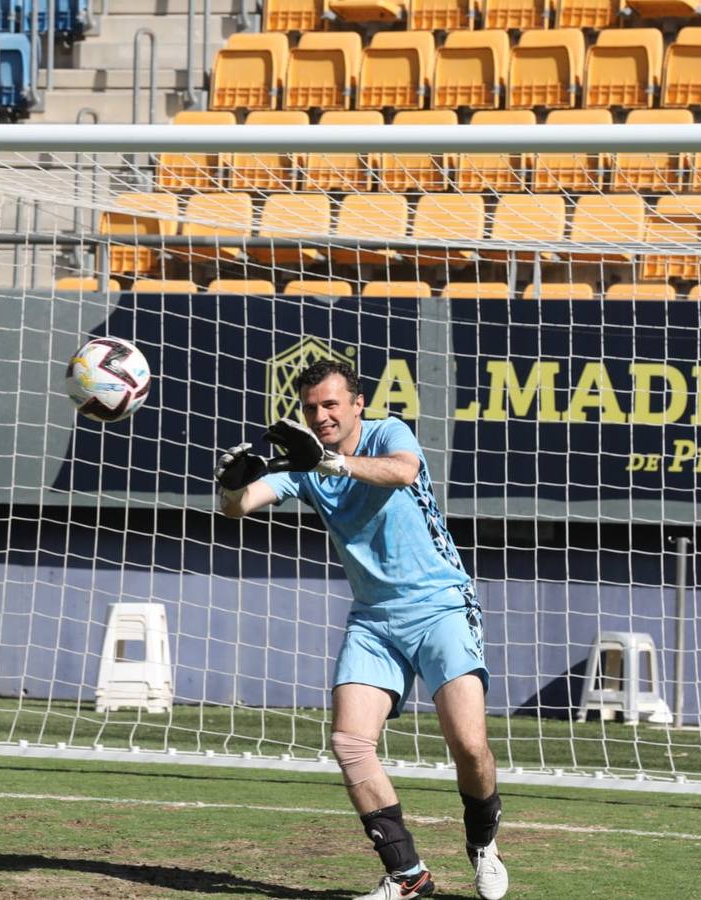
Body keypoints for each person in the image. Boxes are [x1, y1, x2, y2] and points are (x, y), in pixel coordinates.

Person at [214, 359, 508, 900]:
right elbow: (239, 507)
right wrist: (232, 484)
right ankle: (406, 874)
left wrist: (331, 462)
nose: (321, 415)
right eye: (311, 408)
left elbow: (402, 472)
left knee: (468, 745)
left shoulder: (388, 432)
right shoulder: (303, 462)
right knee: (350, 742)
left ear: (357, 404)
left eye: (331, 404)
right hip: (374, 618)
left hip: (441, 605)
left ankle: (483, 842)